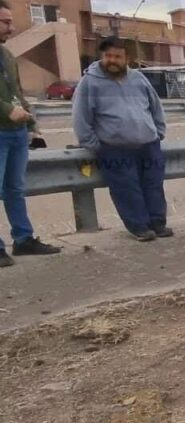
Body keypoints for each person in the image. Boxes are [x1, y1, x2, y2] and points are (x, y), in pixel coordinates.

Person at [73, 36, 172, 242]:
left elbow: (155, 106)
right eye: (108, 56)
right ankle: (139, 227)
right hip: (115, 148)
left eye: (117, 56)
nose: (112, 60)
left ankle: (158, 223)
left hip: (148, 145)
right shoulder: (90, 83)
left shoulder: (138, 79)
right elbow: (81, 118)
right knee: (127, 189)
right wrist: (94, 145)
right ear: (101, 57)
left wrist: (158, 131)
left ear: (127, 58)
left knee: (154, 185)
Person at [0, 0, 61, 267]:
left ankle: (23, 239)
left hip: (16, 133)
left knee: (15, 188)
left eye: (11, 22)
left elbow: (17, 92)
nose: (11, 28)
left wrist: (31, 122)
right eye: (5, 22)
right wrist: (5, 110)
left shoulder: (6, 55)